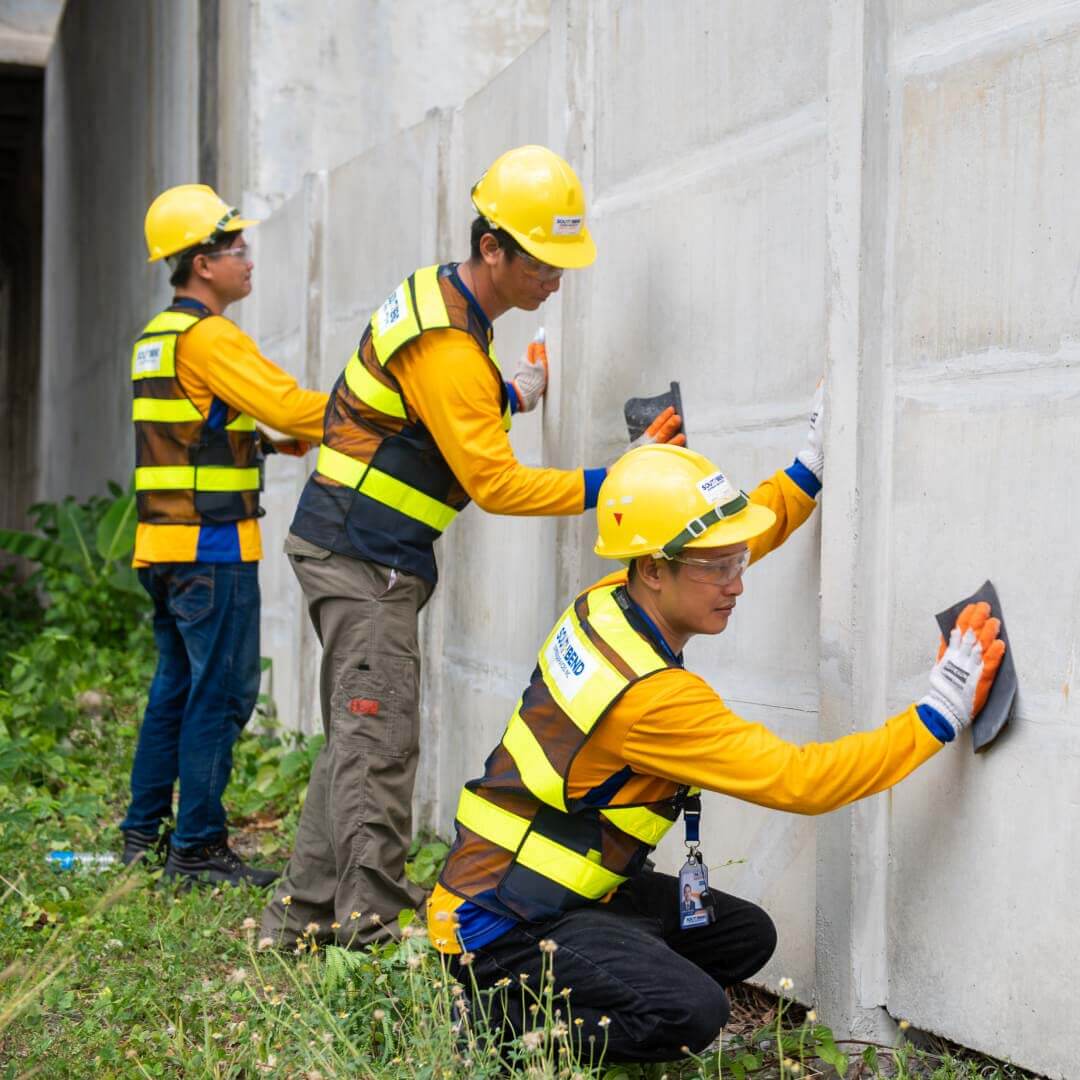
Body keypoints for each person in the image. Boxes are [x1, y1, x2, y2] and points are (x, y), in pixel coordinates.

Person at [427, 406, 1005, 1064]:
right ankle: (500, 1026)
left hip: (544, 887)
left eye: (735, 561)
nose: (736, 583)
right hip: (500, 922)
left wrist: (804, 473)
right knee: (692, 1011)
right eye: (716, 568)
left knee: (740, 938)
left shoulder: (608, 601)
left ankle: (575, 982)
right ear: (654, 569)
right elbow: (805, 781)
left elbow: (720, 542)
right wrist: (938, 710)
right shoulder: (653, 701)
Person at [261, 145, 685, 948]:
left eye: (564, 262)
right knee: (380, 745)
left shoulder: (442, 304)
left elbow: (435, 402)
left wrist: (515, 391)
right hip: (363, 560)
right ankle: (370, 934)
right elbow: (498, 486)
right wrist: (618, 482)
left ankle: (298, 919)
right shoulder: (452, 345)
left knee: (357, 738)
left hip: (353, 549)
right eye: (542, 261)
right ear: (492, 246)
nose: (555, 278)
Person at [119, 184, 329, 887]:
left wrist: (268, 447)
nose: (247, 259)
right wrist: (383, 405)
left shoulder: (158, 339)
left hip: (164, 547)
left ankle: (142, 837)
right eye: (235, 247)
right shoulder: (211, 337)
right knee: (224, 695)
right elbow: (291, 404)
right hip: (212, 552)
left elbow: (192, 437)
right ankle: (200, 850)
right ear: (201, 263)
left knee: (175, 689)